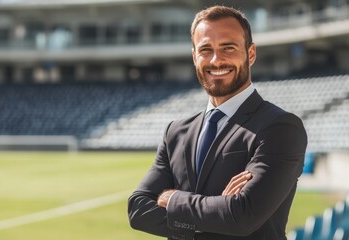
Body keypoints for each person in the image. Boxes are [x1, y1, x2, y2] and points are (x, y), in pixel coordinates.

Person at [128, 5, 308, 240]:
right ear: (194, 56)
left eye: (228, 48)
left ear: (250, 54)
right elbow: (138, 210)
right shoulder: (176, 133)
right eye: (205, 49)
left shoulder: (280, 127)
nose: (216, 60)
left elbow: (242, 217)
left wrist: (171, 199)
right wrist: (218, 212)